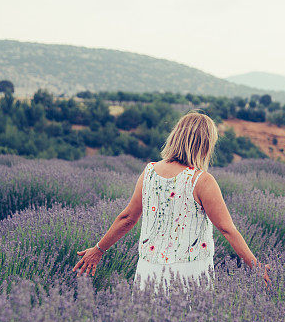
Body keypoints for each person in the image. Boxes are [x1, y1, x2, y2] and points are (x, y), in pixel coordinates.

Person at [73, 111, 271, 293]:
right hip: (190, 273)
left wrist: (98, 250)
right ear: (206, 144)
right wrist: (256, 266)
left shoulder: (149, 172)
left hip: (148, 270)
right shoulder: (201, 180)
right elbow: (227, 229)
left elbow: (127, 218)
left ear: (176, 137)